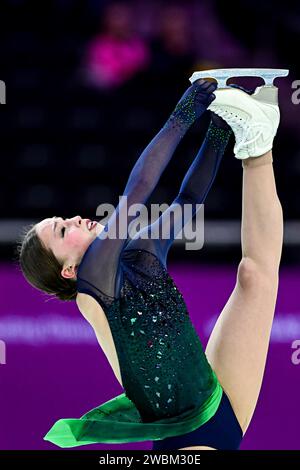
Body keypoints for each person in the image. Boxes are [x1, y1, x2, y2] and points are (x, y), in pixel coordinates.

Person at [18, 79, 283, 450]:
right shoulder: (91, 284)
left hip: (217, 399)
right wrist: (184, 114)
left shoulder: (139, 251)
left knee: (254, 275)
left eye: (66, 219)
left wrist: (220, 129)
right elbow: (137, 190)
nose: (76, 219)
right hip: (183, 439)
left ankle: (258, 142)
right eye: (63, 231)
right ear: (67, 270)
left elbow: (188, 199)